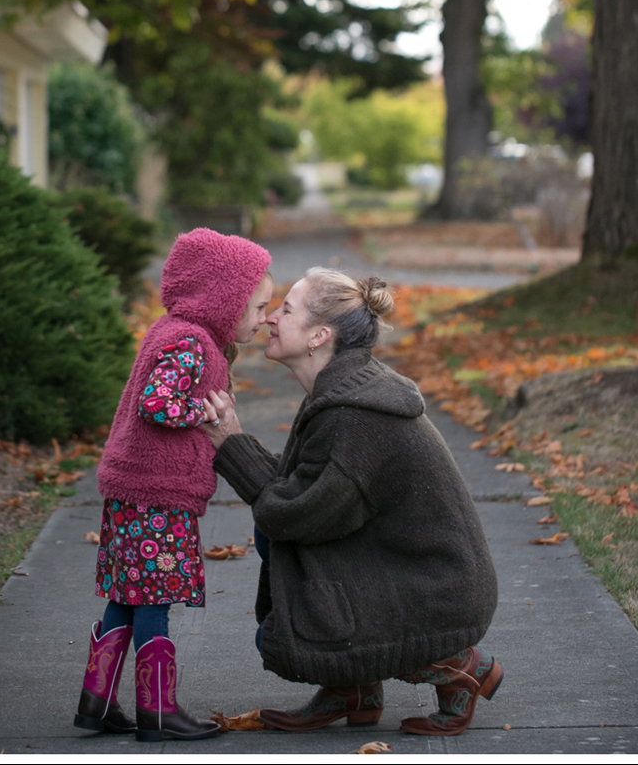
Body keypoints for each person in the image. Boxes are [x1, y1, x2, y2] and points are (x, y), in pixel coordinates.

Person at [201, 267, 501, 737]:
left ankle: (459, 667)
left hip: (438, 592)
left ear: (319, 336)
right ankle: (352, 691)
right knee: (284, 562)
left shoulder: (353, 414)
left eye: (286, 310)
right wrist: (235, 441)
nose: (271, 318)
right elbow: (301, 487)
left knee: (290, 627)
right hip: (425, 576)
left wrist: (230, 443)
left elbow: (292, 513)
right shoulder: (342, 392)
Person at [74, 227, 273, 743]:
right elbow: (157, 404)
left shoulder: (177, 332)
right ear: (225, 300)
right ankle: (157, 710)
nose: (264, 318)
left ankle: (96, 701)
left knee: (127, 595)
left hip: (134, 488)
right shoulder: (191, 343)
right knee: (154, 598)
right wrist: (206, 415)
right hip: (156, 494)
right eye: (258, 307)